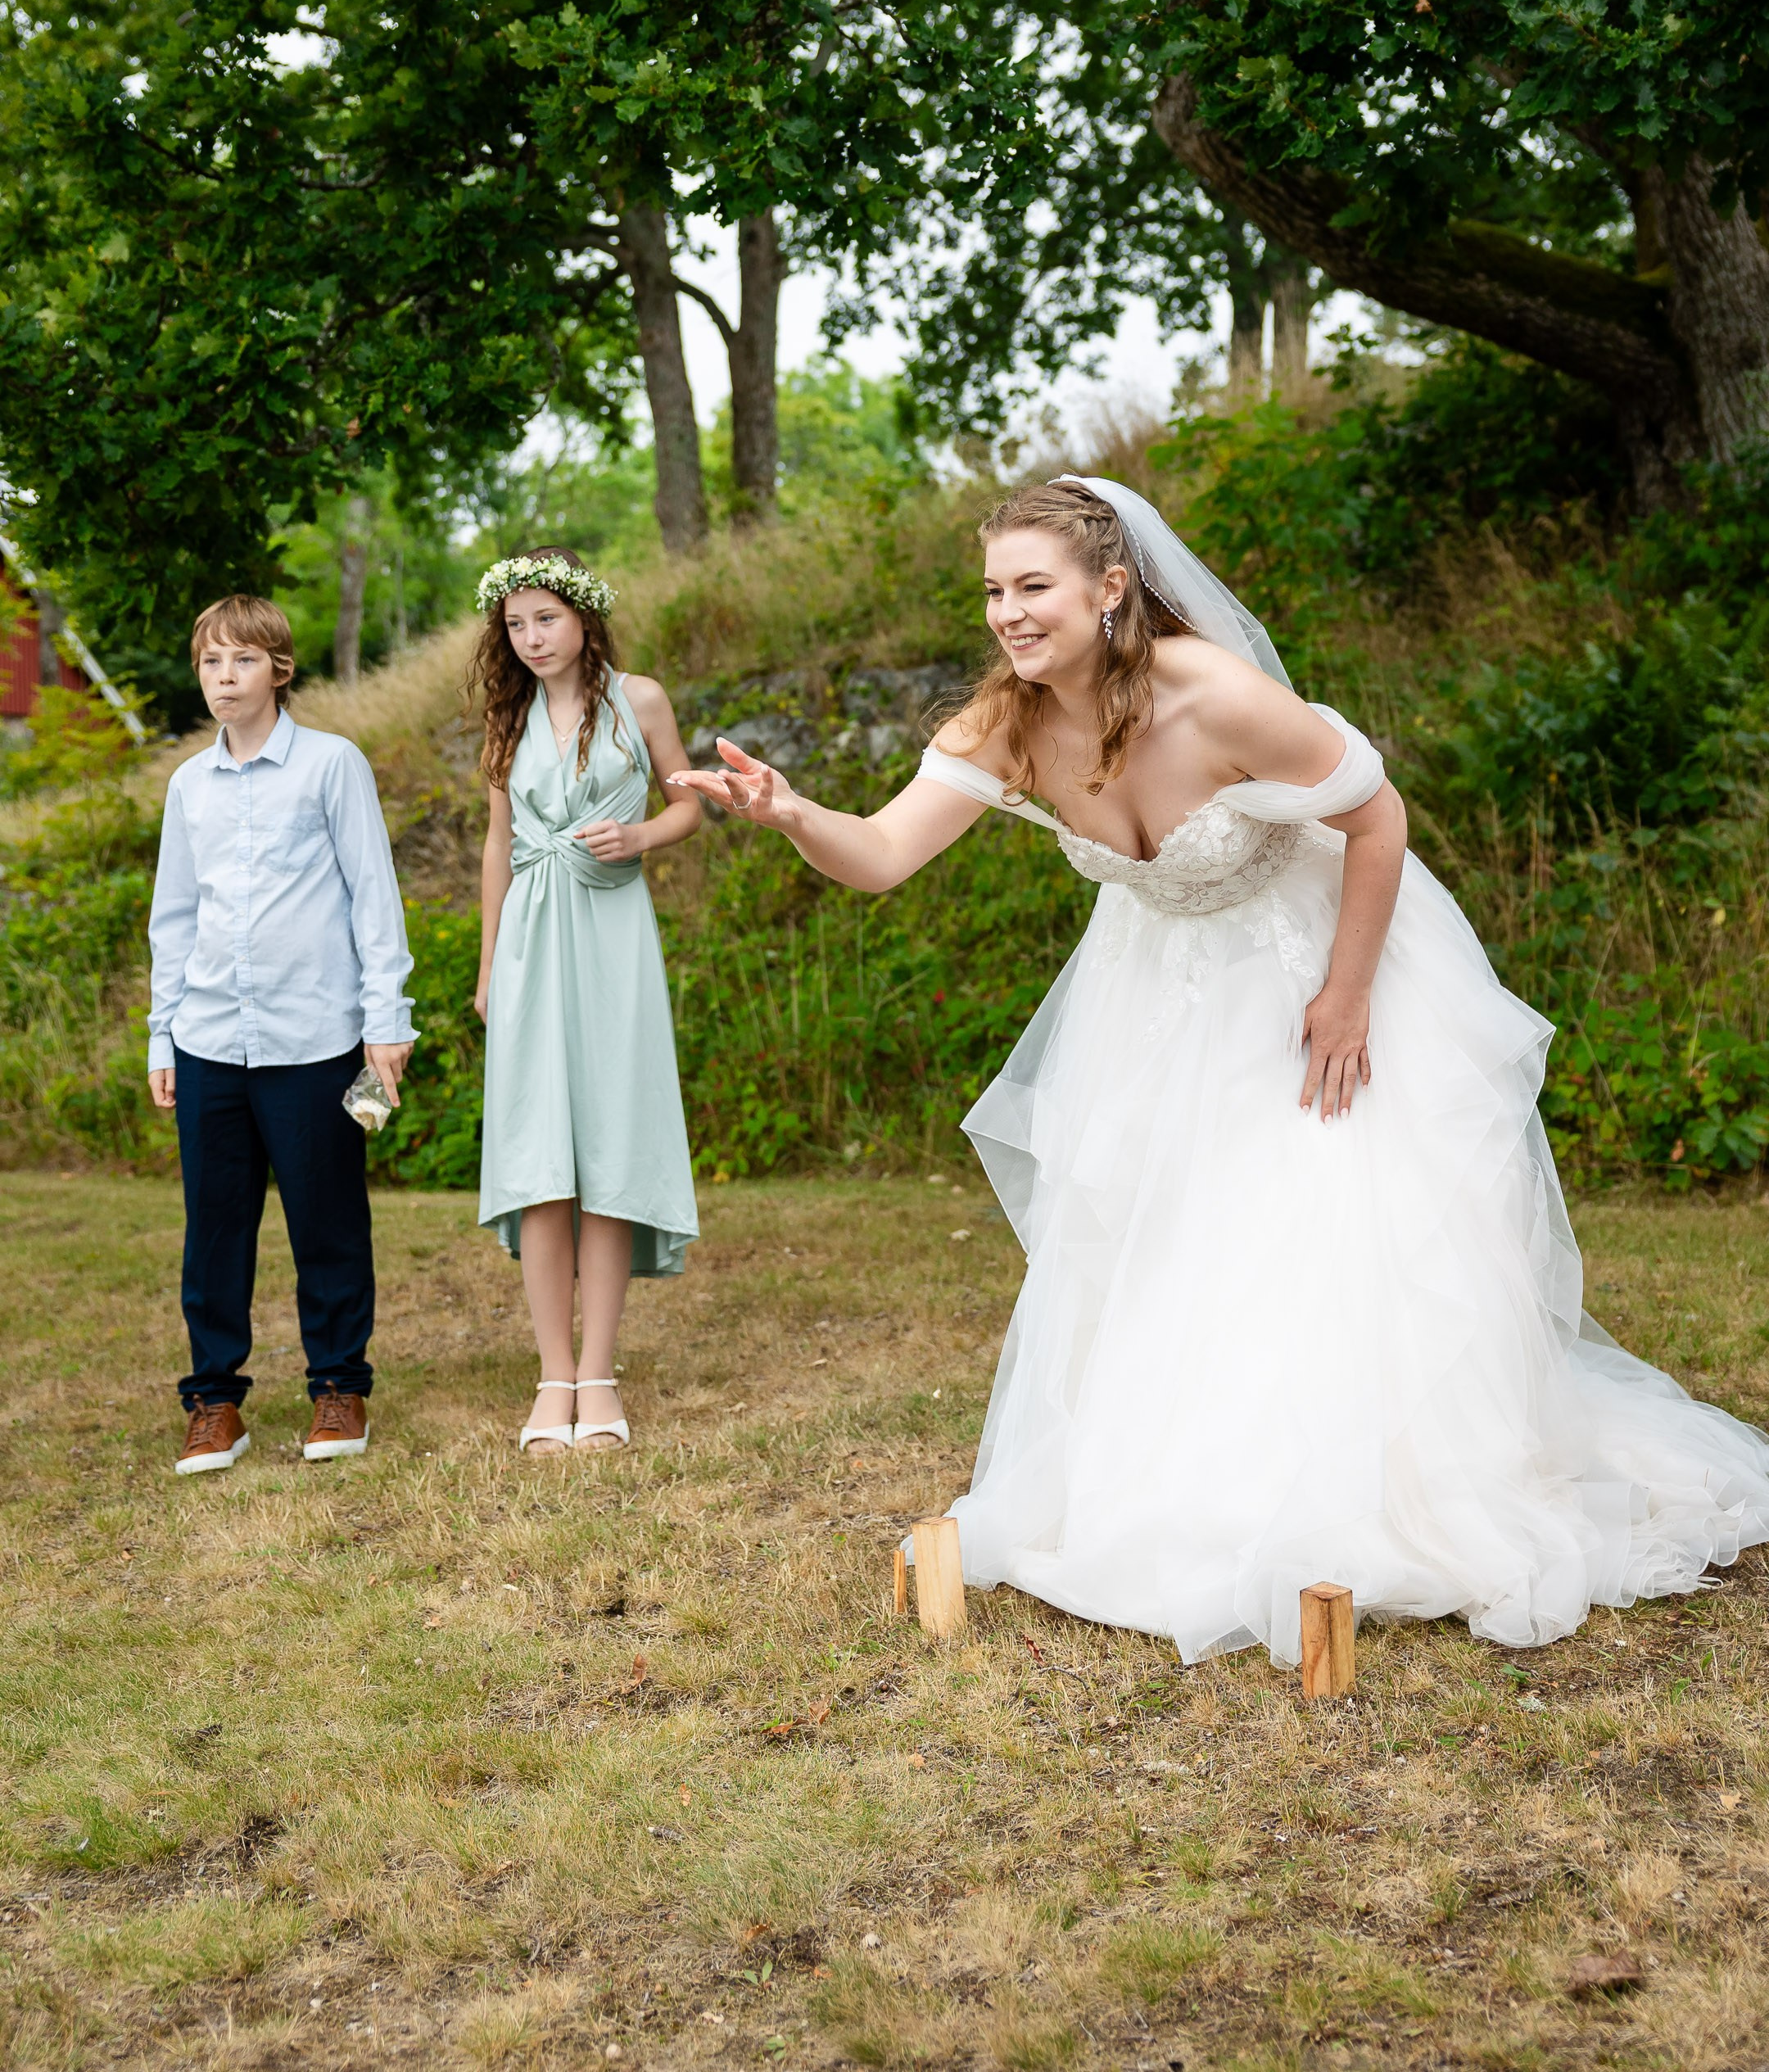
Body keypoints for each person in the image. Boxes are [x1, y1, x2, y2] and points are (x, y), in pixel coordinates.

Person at [673, 476, 1769, 1667]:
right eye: (992, 591)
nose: (1008, 613)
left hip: (1314, 969)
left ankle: (1372, 1494)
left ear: (1110, 588)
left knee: (1325, 1222)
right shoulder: (1007, 723)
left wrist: (1346, 995)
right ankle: (1198, 1497)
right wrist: (793, 813)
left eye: (1033, 586)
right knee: (1184, 1239)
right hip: (1164, 996)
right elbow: (885, 854)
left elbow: (1379, 819)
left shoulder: (1219, 697)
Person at [149, 595, 416, 1477]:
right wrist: (162, 1038)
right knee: (214, 1231)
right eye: (211, 662)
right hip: (209, 1041)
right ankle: (213, 1403)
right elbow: (174, 919)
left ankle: (339, 1387)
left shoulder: (333, 766)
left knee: (328, 1221)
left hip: (317, 1042)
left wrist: (387, 1023)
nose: (224, 678)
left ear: (280, 670)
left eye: (243, 661)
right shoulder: (189, 786)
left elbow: (374, 898)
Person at [469, 547, 700, 1454]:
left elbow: (688, 805)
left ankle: (598, 1374)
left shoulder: (639, 700)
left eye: (547, 619)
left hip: (613, 936)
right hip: (531, 940)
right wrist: (489, 968)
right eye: (515, 624)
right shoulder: (508, 717)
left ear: (584, 617)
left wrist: (641, 835)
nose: (531, 638)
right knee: (539, 1156)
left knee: (608, 1148)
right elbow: (498, 846)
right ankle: (552, 1376)